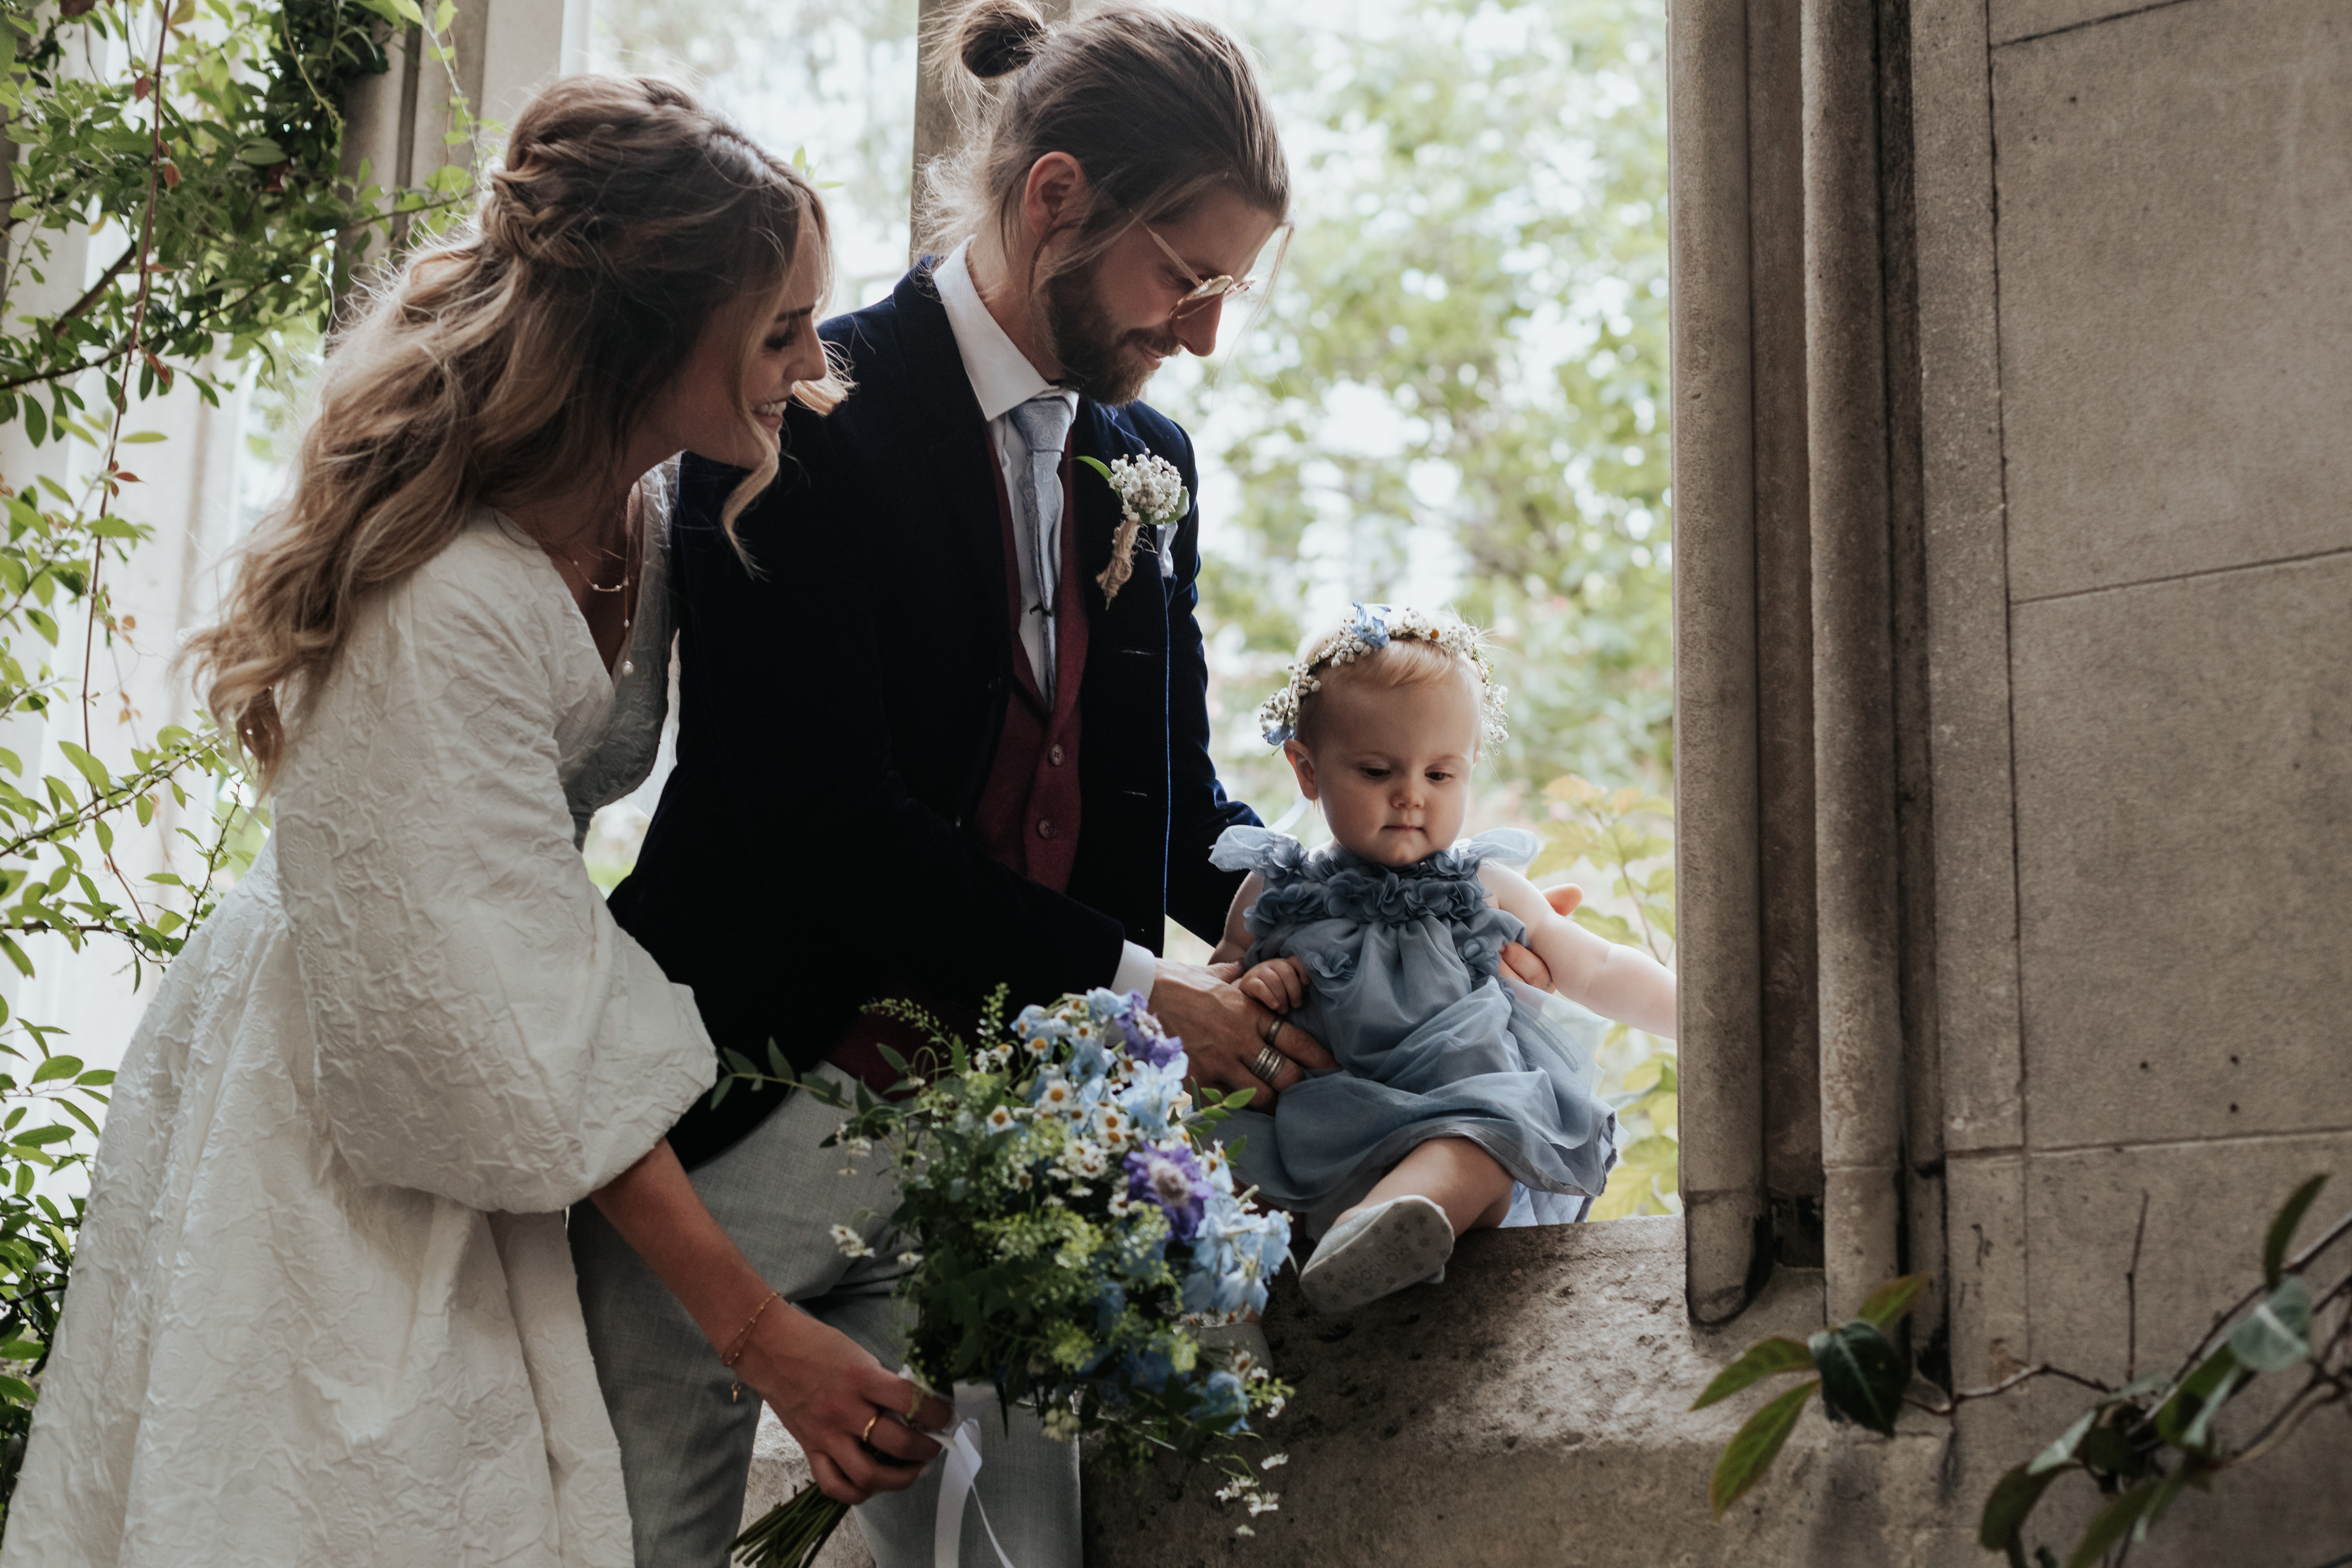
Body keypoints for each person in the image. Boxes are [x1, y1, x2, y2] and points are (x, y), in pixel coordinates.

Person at [0, 77, 950, 1568]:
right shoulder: (441, 597)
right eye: (778, 332)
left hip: (496, 1044)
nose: (812, 365)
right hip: (356, 1078)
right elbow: (505, 986)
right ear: (650, 336)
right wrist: (758, 1329)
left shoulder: (648, 505)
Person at [1207, 603, 1679, 1314]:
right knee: (1215, 1144)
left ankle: (1392, 1224)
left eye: (1440, 774)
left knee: (1491, 1142)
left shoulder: (1482, 885)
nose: (1410, 796)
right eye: (1376, 770)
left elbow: (1599, 966)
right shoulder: (1275, 887)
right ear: (1307, 771)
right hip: (1321, 1124)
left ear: (1471, 771)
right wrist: (1253, 981)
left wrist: (1708, 1015)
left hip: (1461, 1112)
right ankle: (1274, 1268)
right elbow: (1213, 988)